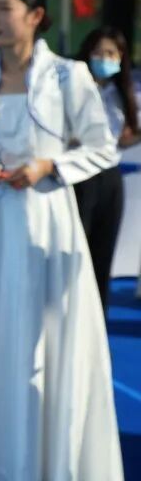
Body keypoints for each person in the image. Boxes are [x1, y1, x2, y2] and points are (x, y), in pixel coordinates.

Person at [0, 0, 122, 479]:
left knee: (47, 339)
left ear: (36, 16)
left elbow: (101, 146)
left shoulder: (68, 75)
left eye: (5, 8)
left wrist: (49, 167)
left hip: (48, 221)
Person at [75, 26, 140, 315]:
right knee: (77, 253)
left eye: (111, 54)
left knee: (103, 253)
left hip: (110, 178)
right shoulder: (74, 88)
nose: (104, 59)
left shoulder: (122, 93)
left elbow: (123, 137)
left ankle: (97, 319)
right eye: (99, 53)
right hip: (79, 176)